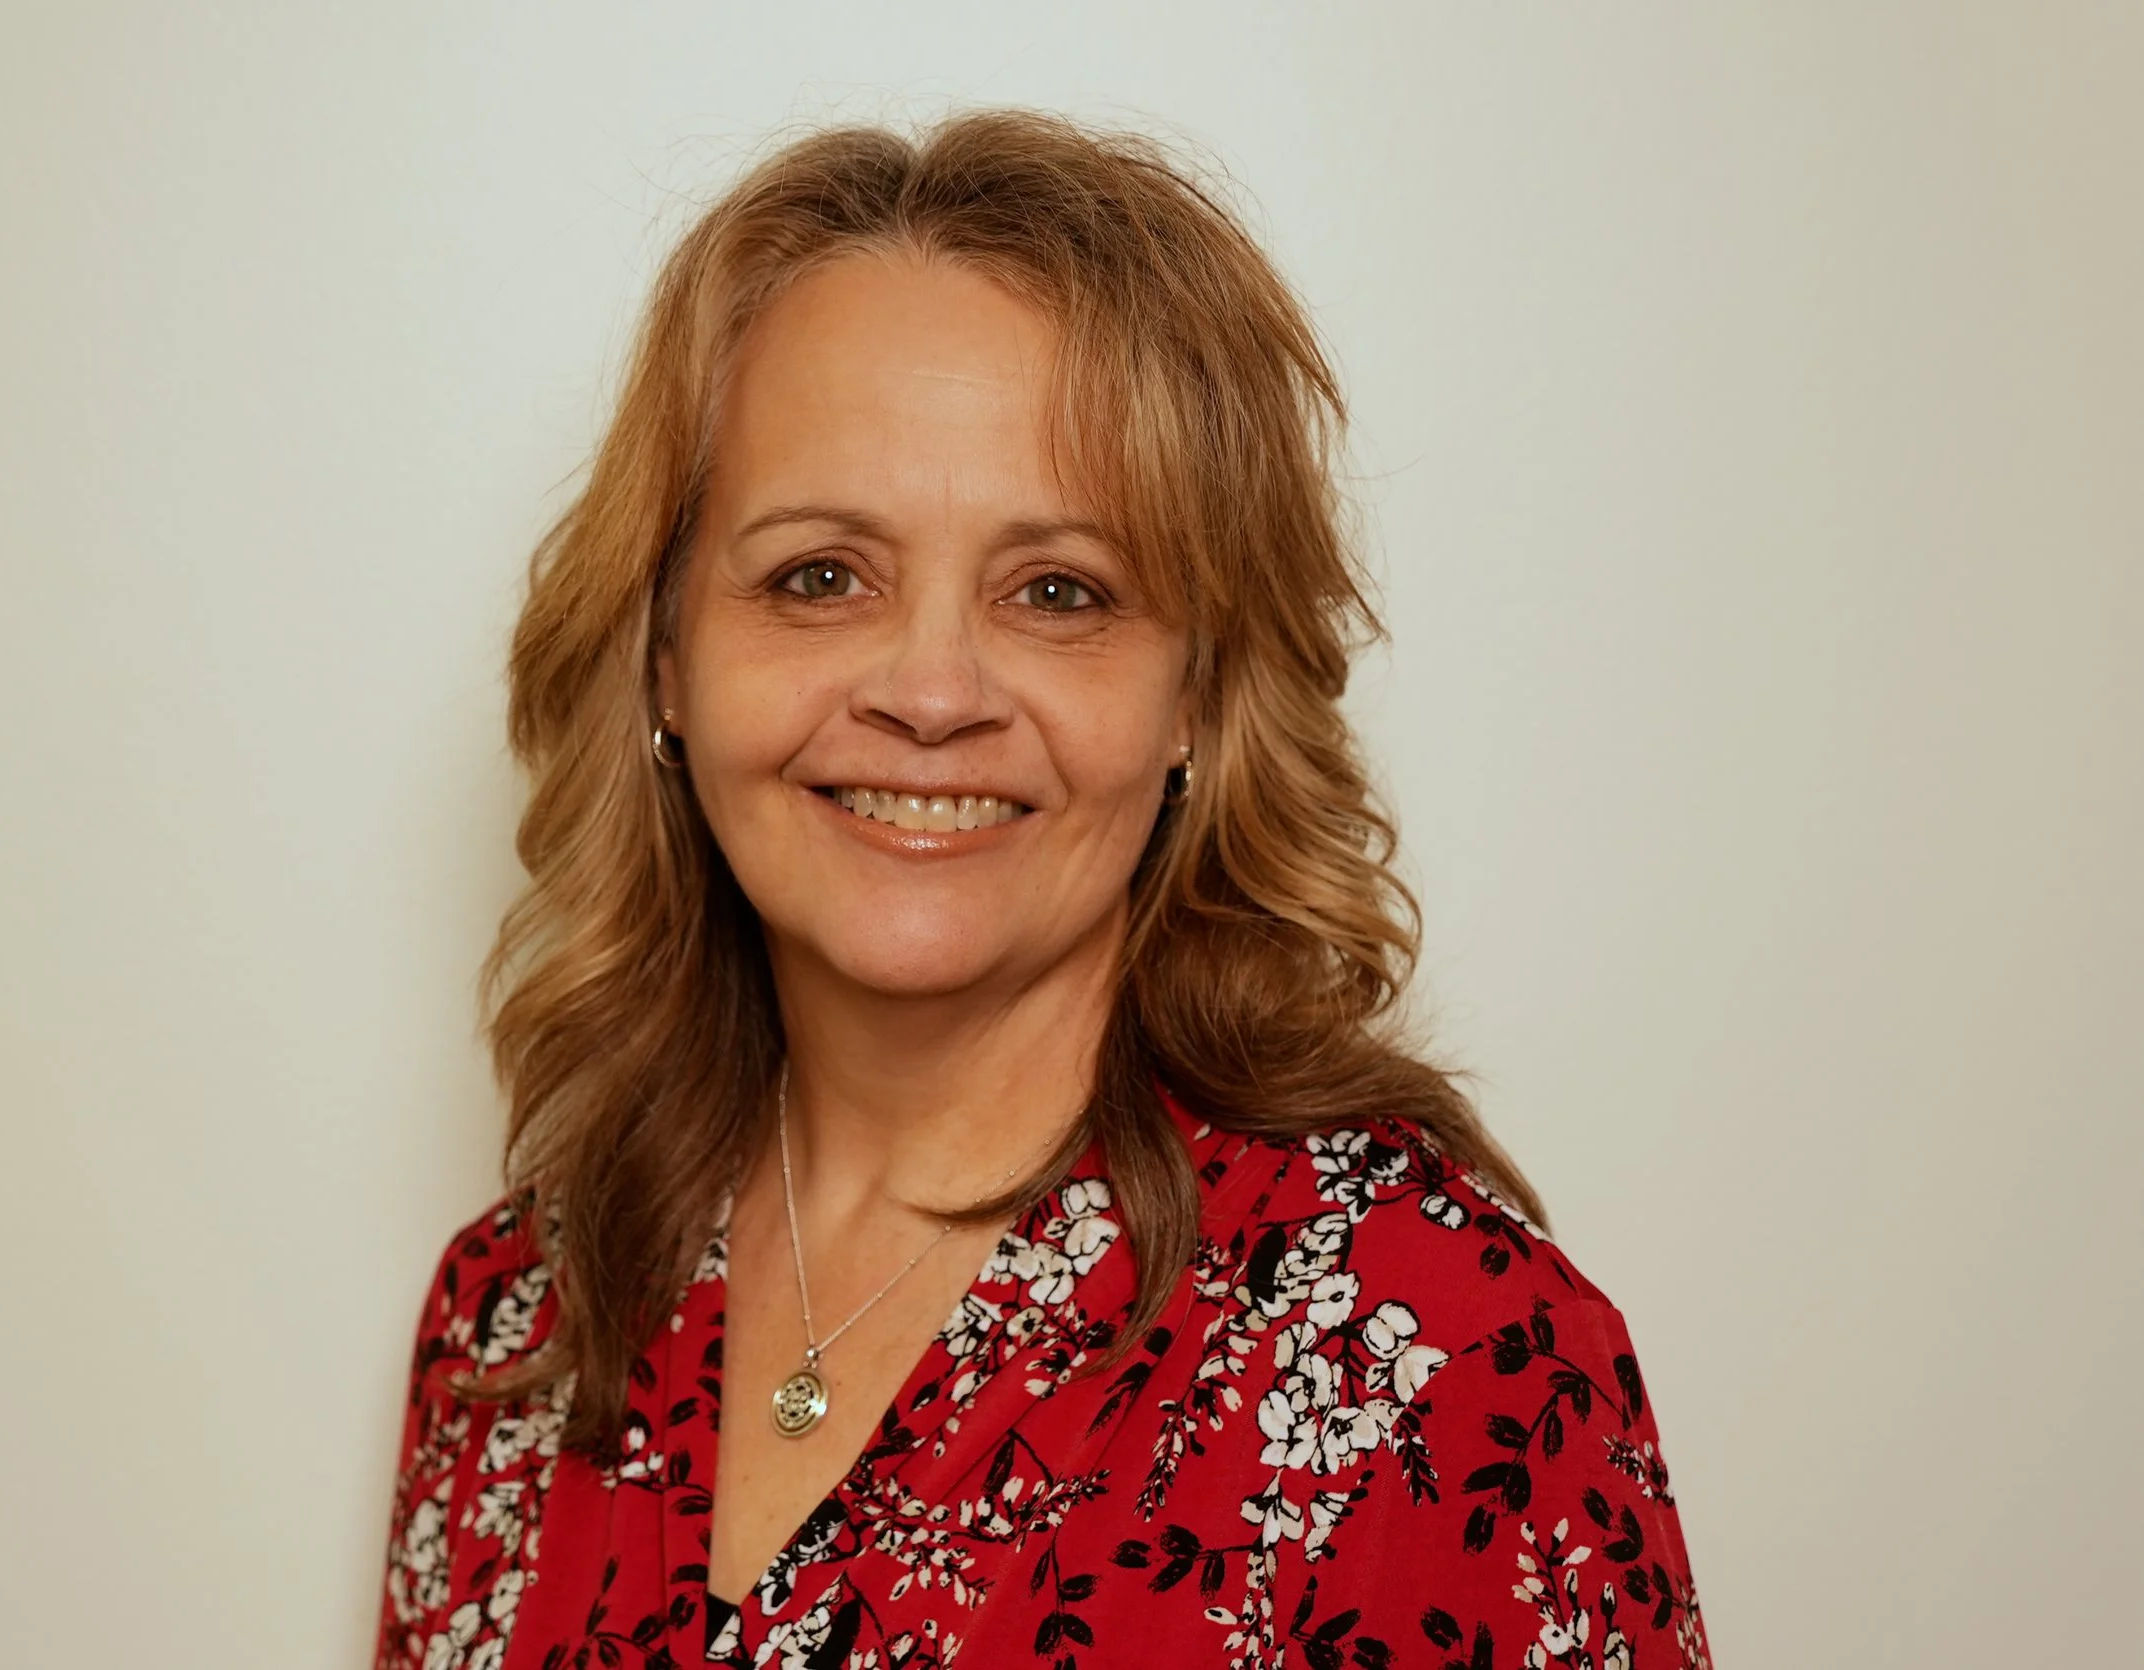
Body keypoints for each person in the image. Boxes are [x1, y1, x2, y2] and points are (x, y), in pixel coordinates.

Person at [374, 110, 1708, 1670]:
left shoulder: (1442, 1357)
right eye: (821, 574)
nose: (932, 691)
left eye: (1059, 590)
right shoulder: (515, 1323)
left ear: (1200, 692)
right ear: (668, 656)